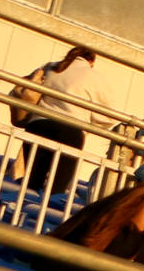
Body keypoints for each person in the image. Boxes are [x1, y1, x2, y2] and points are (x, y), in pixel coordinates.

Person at [7, 44, 98, 201]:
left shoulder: (50, 67)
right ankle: (40, 220)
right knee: (57, 187)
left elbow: (23, 88)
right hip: (71, 132)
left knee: (32, 180)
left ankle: (18, 212)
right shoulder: (93, 76)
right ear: (91, 61)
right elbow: (106, 117)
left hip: (38, 125)